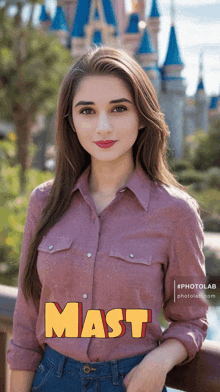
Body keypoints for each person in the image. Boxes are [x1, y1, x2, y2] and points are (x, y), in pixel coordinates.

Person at [7, 45, 209, 392]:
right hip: (51, 379)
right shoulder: (45, 201)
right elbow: (27, 321)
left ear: (142, 115)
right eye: (87, 110)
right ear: (70, 121)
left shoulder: (177, 213)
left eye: (119, 109)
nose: (103, 127)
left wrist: (161, 360)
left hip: (133, 382)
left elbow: (192, 318)